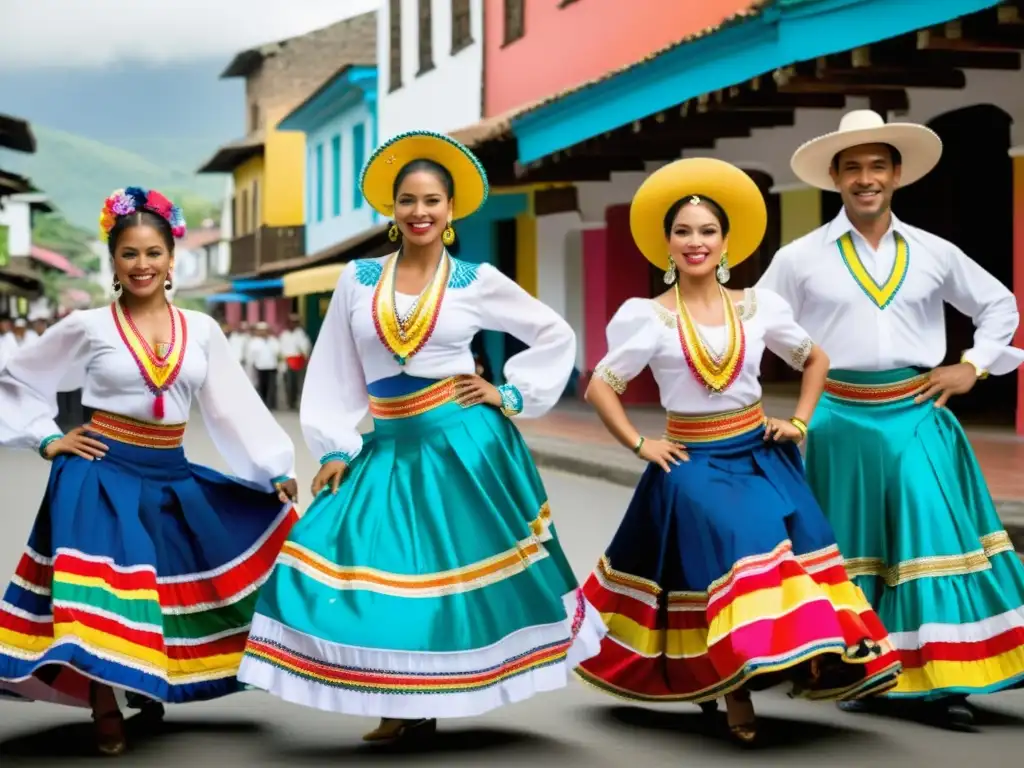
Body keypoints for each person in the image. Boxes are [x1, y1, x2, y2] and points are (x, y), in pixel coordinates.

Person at [237, 131, 605, 744]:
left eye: (433, 200)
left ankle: (419, 699)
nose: (420, 211)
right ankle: (402, 692)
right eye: (407, 199)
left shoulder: (475, 278)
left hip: (465, 442)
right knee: (344, 557)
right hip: (388, 441)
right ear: (391, 209)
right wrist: (332, 445)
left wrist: (508, 394)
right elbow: (334, 366)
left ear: (452, 210)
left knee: (453, 577)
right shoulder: (357, 280)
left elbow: (553, 334)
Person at [575, 158, 902, 745]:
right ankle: (736, 689)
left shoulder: (760, 307)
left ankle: (812, 658)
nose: (695, 242)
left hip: (760, 452)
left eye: (707, 231)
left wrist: (800, 422)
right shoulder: (646, 317)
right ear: (667, 244)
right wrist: (639, 443)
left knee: (801, 547)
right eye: (683, 232)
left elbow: (815, 358)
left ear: (726, 241)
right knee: (737, 547)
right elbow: (602, 382)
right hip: (691, 463)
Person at [0, 186, 300, 756]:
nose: (142, 265)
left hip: (169, 472)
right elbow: (16, 377)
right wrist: (46, 438)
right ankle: (102, 702)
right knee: (101, 591)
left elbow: (231, 406)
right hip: (98, 471)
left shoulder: (202, 331)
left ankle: (147, 682)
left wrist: (272, 469)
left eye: (153, 253)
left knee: (164, 587)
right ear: (113, 261)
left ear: (172, 258)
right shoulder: (88, 325)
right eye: (129, 254)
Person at [758, 110, 1024, 726]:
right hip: (838, 419)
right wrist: (807, 363)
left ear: (896, 175)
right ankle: (854, 666)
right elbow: (761, 322)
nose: (866, 178)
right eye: (852, 168)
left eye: (877, 165)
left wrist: (974, 367)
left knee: (926, 537)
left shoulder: (934, 251)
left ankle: (943, 677)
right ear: (835, 178)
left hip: (915, 409)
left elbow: (999, 305)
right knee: (847, 549)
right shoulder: (801, 257)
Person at [278, 313, 311, 410]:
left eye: (295, 322)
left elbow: (305, 348)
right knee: (288, 383)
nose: (292, 324)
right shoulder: (284, 335)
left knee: (297, 383)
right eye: (291, 322)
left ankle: (296, 401)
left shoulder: (301, 334)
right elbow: (280, 348)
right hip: (287, 362)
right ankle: (290, 402)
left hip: (298, 362)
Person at [246, 321, 280, 409]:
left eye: (265, 330)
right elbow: (250, 356)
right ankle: (263, 404)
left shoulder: (273, 340)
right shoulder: (253, 342)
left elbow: (278, 352)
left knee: (272, 386)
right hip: (260, 367)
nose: (263, 332)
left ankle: (272, 404)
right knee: (262, 386)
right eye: (261, 330)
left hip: (272, 367)